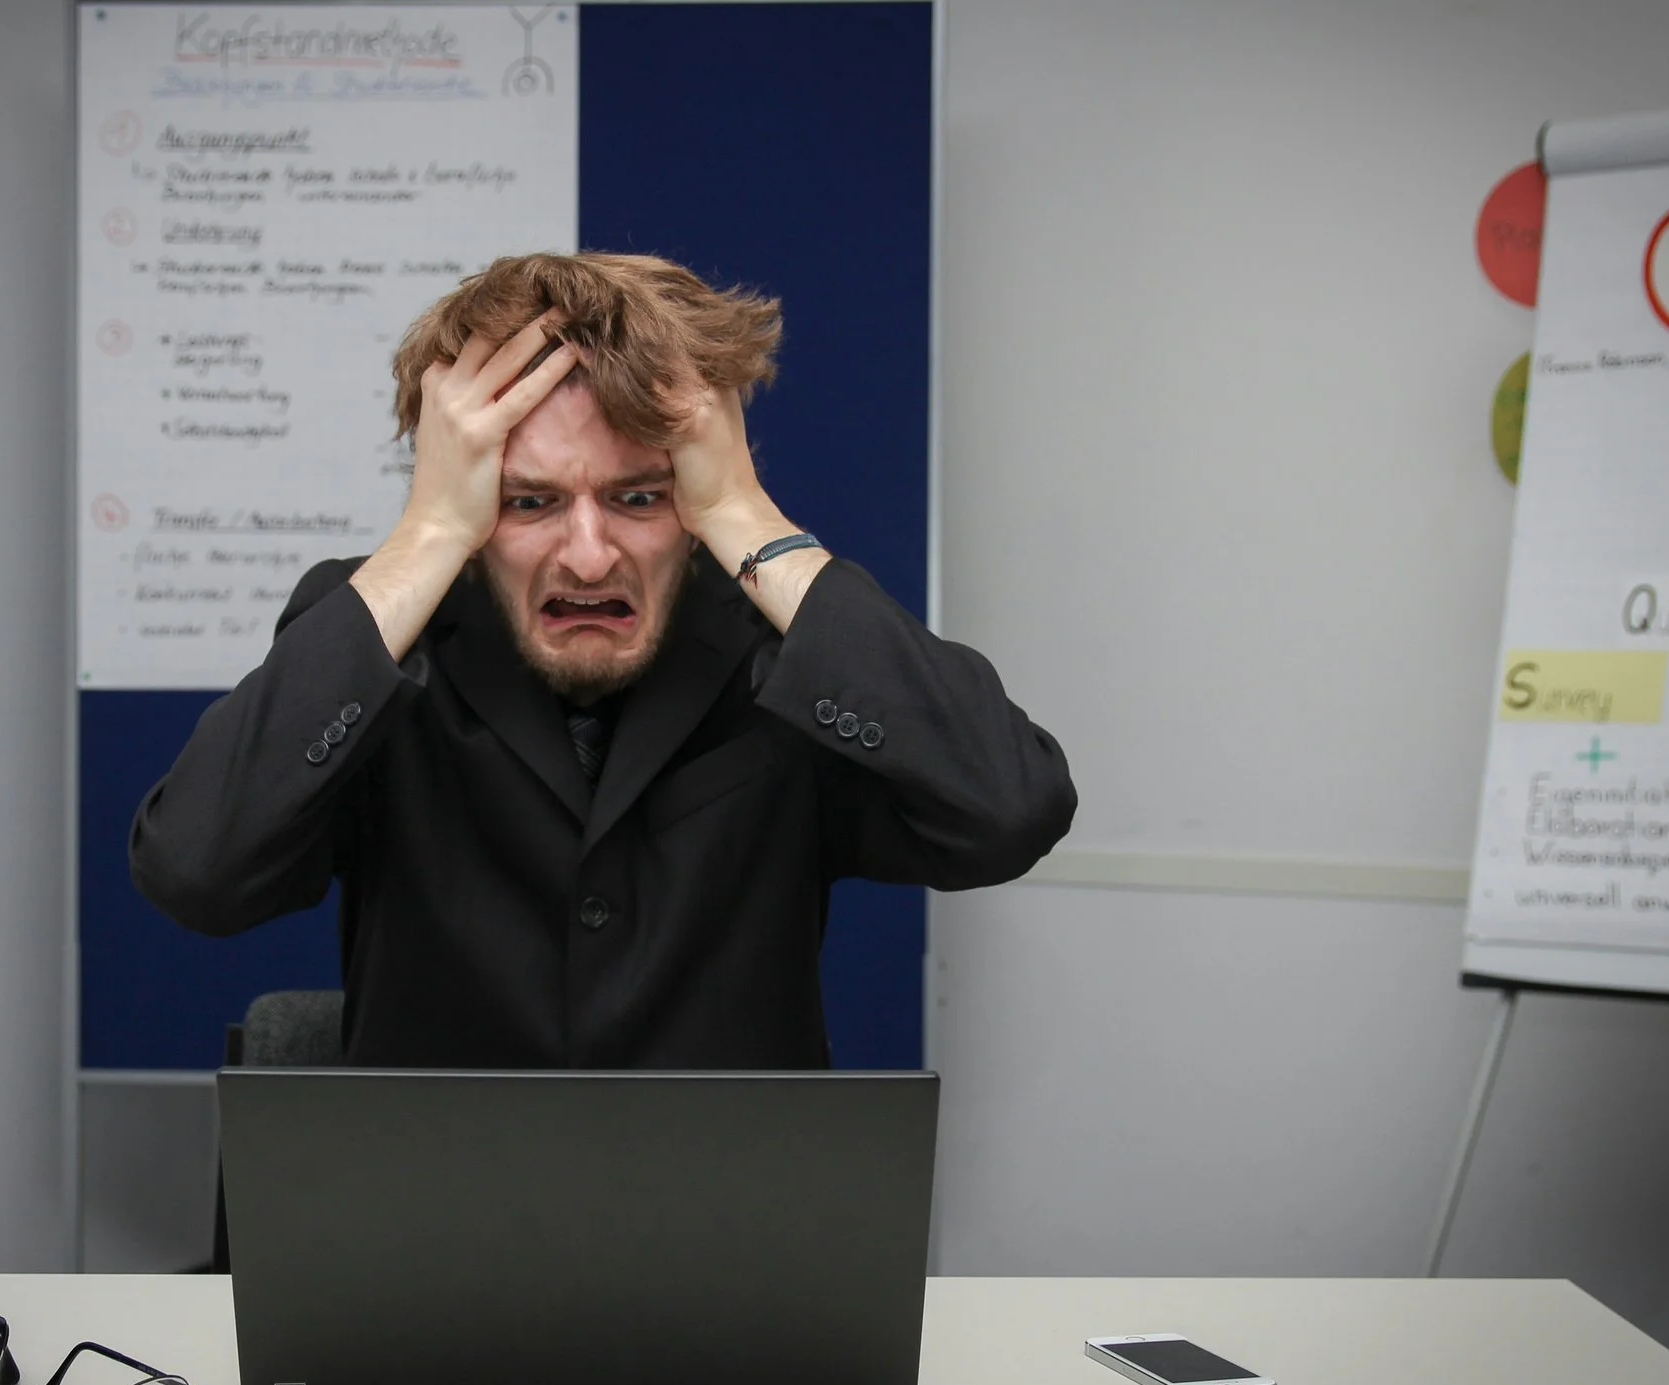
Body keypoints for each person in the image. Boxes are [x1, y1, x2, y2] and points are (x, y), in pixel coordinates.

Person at [130, 252, 1074, 1068]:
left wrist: (745, 518)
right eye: (529, 502)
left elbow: (1006, 809)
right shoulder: (385, 641)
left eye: (639, 497)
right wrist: (428, 535)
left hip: (730, 1239)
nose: (587, 555)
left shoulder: (777, 644)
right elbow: (197, 869)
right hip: (437, 1240)